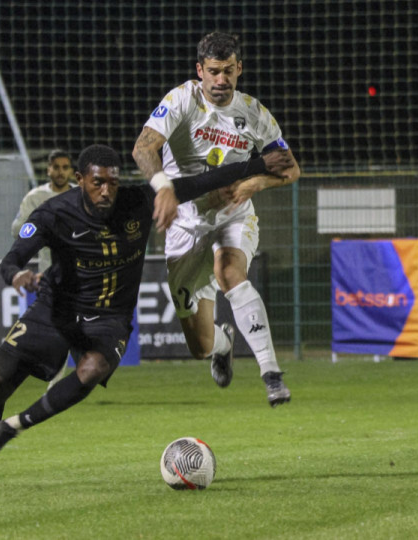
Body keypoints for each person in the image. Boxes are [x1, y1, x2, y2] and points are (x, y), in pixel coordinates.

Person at [0, 144, 293, 489]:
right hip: (55, 310)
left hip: (109, 319)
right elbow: (13, 257)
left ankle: (13, 427)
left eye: (113, 182)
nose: (106, 191)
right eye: (97, 182)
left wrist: (259, 164)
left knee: (91, 370)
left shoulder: (138, 201)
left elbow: (201, 182)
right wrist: (17, 276)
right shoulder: (54, 213)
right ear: (80, 180)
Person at [132, 31, 301, 407]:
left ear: (239, 69)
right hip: (184, 223)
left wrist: (253, 183)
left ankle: (271, 375)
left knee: (229, 271)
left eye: (228, 71)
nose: (221, 80)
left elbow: (291, 170)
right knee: (199, 345)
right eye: (213, 71)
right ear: (200, 71)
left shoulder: (254, 114)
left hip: (232, 213)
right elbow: (142, 148)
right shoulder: (181, 100)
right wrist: (163, 188)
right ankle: (223, 343)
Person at [10, 149, 76, 271]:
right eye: (56, 167)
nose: (60, 172)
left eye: (65, 167)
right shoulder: (35, 197)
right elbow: (17, 231)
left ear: (71, 171)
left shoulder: (82, 196)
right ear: (48, 170)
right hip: (48, 271)